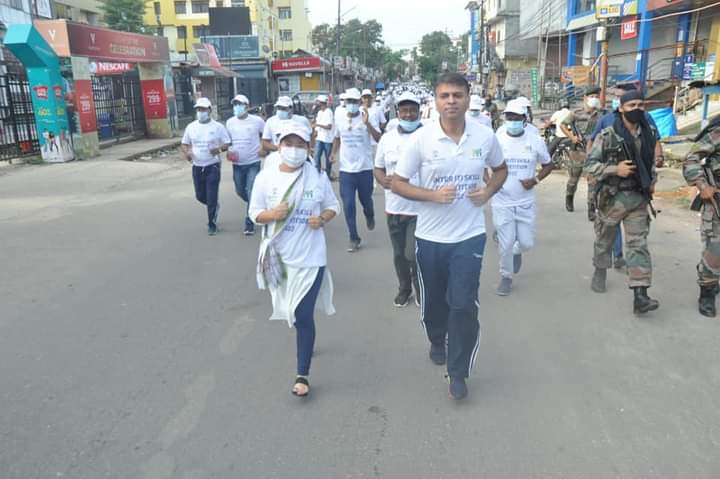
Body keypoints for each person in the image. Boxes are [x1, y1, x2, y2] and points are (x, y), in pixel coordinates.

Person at [393, 73, 508, 400]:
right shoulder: (422, 139)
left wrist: (488, 191)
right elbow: (397, 182)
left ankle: (458, 371)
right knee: (433, 305)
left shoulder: (484, 136)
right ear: (436, 101)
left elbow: (501, 170)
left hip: (469, 236)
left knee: (463, 305)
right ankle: (436, 337)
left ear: (468, 98)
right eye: (444, 96)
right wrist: (431, 196)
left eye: (457, 95)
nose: (451, 101)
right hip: (430, 238)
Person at [249, 123, 339, 397]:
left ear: (309, 148)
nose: (295, 150)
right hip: (279, 259)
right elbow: (254, 213)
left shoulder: (317, 177)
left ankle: (302, 374)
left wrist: (321, 218)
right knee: (293, 315)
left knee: (302, 314)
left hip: (311, 258)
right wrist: (272, 214)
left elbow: (332, 206)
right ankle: (306, 340)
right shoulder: (266, 178)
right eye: (289, 144)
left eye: (301, 145)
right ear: (279, 146)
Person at [585, 90, 659, 315]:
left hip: (637, 198)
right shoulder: (608, 135)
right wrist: (614, 169)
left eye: (641, 105)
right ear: (621, 108)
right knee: (604, 241)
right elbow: (589, 165)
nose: (637, 109)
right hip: (612, 198)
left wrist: (652, 180)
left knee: (638, 245)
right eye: (632, 105)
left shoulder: (647, 133)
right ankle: (600, 270)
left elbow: (650, 162)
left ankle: (640, 295)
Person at [492, 99, 553, 296]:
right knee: (505, 243)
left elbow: (548, 165)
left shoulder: (534, 140)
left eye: (516, 117)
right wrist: (491, 185)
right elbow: (483, 164)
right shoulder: (497, 139)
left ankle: (516, 251)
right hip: (502, 201)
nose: (512, 121)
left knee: (526, 243)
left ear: (524, 119)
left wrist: (535, 180)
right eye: (509, 117)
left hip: (525, 201)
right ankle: (506, 277)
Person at [374, 91, 423, 307]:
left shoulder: (428, 136)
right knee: (399, 255)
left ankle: (420, 288)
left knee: (412, 254)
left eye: (413, 110)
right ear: (398, 112)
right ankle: (404, 289)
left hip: (420, 209)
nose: (409, 115)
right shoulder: (387, 139)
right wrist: (382, 180)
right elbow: (378, 168)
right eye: (404, 110)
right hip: (394, 207)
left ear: (419, 112)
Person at [332, 87, 382, 253]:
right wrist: (333, 153)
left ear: (360, 102)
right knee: (348, 204)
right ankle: (354, 237)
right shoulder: (339, 119)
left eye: (355, 101)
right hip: (346, 171)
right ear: (345, 102)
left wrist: (367, 124)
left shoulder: (366, 117)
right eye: (349, 101)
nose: (352, 104)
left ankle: (369, 214)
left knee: (365, 200)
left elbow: (378, 138)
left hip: (364, 169)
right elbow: (337, 138)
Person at [683, 115, 720, 317]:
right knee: (715, 249)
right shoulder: (717, 134)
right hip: (716, 201)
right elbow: (691, 158)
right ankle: (707, 292)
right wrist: (702, 185)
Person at [181, 97, 231, 236]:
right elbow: (184, 144)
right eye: (198, 109)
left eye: (203, 109)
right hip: (197, 166)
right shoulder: (191, 127)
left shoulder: (218, 127)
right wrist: (187, 153)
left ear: (209, 110)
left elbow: (227, 143)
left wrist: (219, 149)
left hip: (212, 166)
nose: (200, 112)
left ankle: (212, 224)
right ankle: (213, 205)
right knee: (200, 195)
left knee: (211, 195)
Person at [226, 94, 266, 236]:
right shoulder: (230, 122)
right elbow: (228, 142)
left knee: (250, 190)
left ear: (247, 106)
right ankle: (256, 203)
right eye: (235, 104)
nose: (237, 107)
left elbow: (266, 136)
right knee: (240, 191)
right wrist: (228, 152)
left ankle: (249, 223)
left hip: (253, 162)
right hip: (237, 163)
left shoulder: (257, 121)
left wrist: (264, 149)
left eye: (240, 104)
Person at [312, 94, 335, 179]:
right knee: (316, 156)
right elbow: (317, 124)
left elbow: (329, 126)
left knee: (328, 158)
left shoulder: (329, 112)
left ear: (321, 103)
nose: (317, 104)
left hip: (327, 139)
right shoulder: (319, 112)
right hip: (319, 138)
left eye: (318, 102)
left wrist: (317, 125)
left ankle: (328, 175)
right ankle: (317, 174)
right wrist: (315, 131)